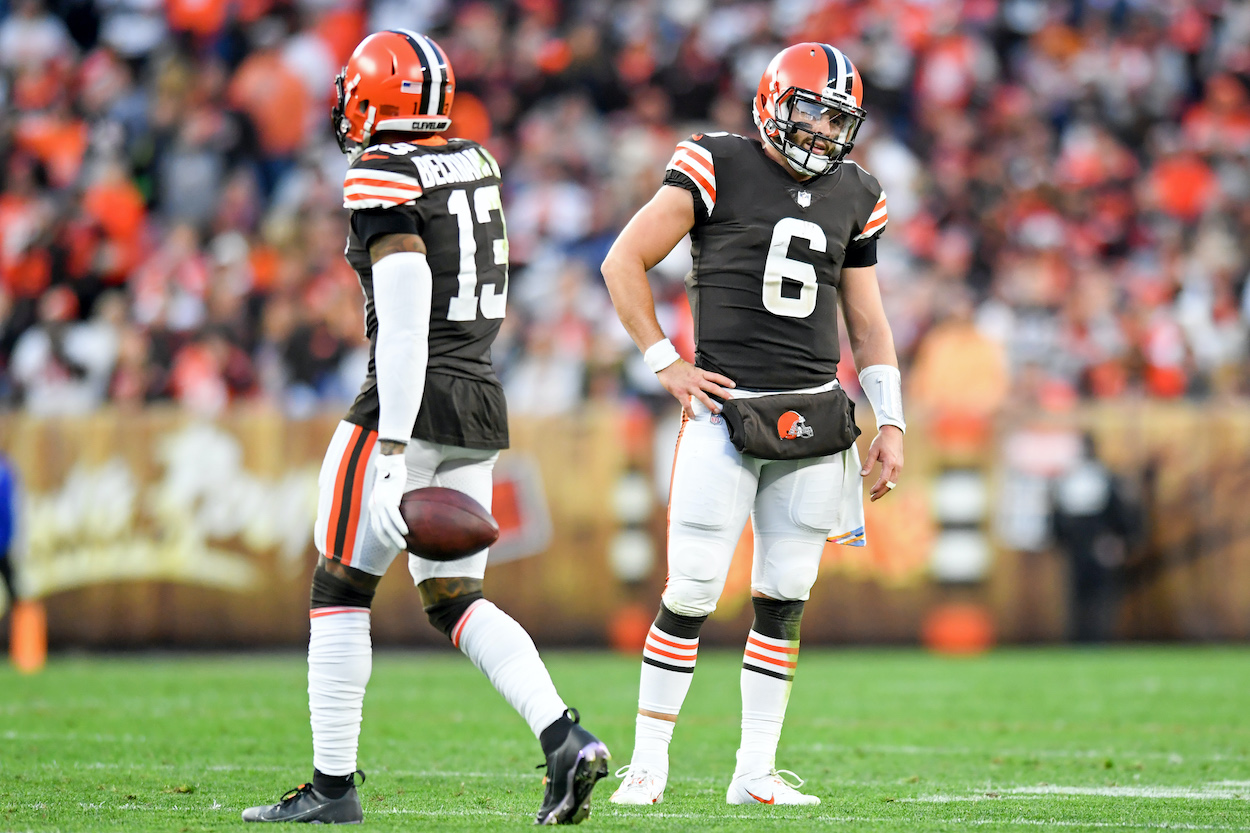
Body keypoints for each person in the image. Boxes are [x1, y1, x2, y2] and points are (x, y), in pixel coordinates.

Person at [243, 30, 609, 826]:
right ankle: (563, 735)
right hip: (477, 393)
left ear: (376, 96)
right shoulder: (475, 160)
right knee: (453, 597)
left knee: (339, 585)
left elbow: (405, 320)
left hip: (407, 399)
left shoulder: (381, 169)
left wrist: (393, 450)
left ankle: (332, 790)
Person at [601, 43, 905, 806]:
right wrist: (665, 360)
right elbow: (622, 260)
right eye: (812, 109)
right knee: (694, 587)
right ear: (774, 99)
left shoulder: (857, 191)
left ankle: (755, 771)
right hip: (723, 406)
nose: (823, 130)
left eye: (838, 119)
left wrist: (891, 418)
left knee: (784, 594)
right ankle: (648, 764)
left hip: (813, 414)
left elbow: (867, 323)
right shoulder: (716, 160)